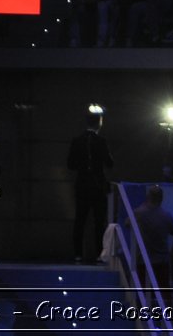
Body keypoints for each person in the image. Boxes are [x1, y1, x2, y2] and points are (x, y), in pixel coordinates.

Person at [66, 112, 113, 263]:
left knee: (80, 220)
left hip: (82, 186)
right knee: (99, 222)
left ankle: (78, 254)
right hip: (98, 186)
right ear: (99, 123)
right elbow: (109, 163)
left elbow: (71, 164)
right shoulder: (101, 141)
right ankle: (100, 253)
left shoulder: (77, 141)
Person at [133, 184, 173, 289]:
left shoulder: (139, 213)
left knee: (143, 291)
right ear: (161, 198)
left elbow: (127, 223)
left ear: (148, 197)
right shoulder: (167, 216)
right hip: (162, 260)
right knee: (163, 291)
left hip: (143, 259)